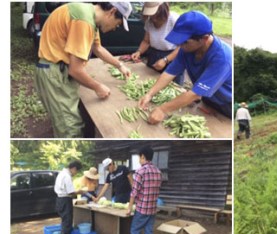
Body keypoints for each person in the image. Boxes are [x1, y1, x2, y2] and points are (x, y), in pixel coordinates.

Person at [34, 2, 133, 138]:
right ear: (112, 12)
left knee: (64, 119)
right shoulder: (83, 20)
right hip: (55, 73)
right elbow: (75, 70)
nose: (116, 28)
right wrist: (98, 87)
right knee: (69, 127)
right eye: (118, 23)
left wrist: (119, 65)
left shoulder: (90, 17)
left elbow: (97, 48)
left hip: (56, 70)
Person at [138, 11, 232, 123]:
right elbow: (170, 73)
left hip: (226, 104)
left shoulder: (222, 58)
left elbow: (196, 94)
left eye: (185, 42)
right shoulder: (187, 49)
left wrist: (162, 110)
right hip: (208, 98)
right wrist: (150, 94)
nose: (180, 46)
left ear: (205, 38)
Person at [130, 2, 184, 85]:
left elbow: (182, 46)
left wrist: (165, 60)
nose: (153, 19)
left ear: (163, 10)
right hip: (154, 55)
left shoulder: (174, 19)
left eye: (156, 15)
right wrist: (139, 51)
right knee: (151, 83)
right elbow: (146, 41)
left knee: (172, 86)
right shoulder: (149, 21)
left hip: (173, 57)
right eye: (151, 16)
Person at [126, 147, 162, 234]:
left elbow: (134, 192)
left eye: (139, 158)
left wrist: (129, 207)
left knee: (134, 230)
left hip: (142, 208)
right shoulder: (158, 171)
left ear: (143, 157)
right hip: (152, 208)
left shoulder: (140, 171)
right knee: (148, 231)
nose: (139, 160)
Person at [54, 160, 86, 234]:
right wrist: (79, 191)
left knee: (65, 222)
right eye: (77, 171)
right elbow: (71, 192)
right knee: (67, 224)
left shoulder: (61, 173)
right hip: (65, 200)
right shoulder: (67, 176)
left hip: (59, 200)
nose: (76, 173)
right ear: (74, 168)